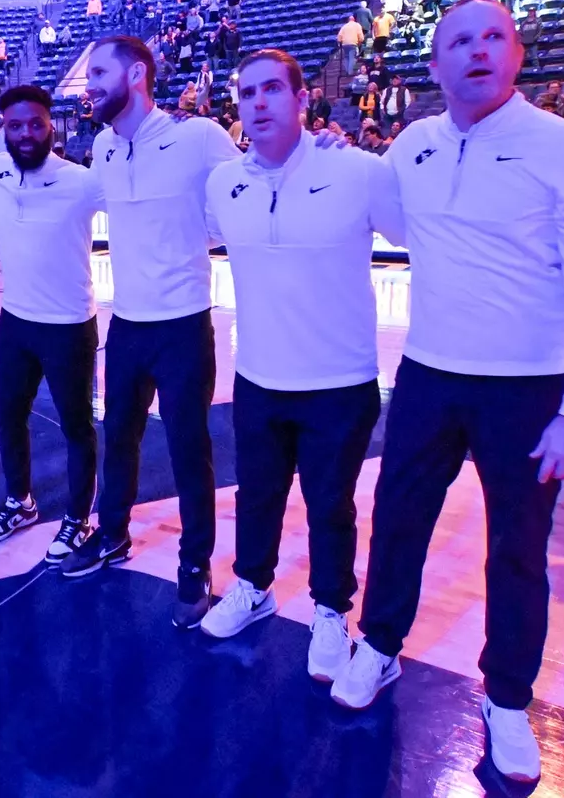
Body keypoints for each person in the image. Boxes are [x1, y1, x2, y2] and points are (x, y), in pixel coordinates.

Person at [332, 0, 564, 788]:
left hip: (529, 390)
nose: (477, 51)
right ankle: (380, 646)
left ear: (518, 52)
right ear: (434, 66)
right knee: (396, 524)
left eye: (493, 36)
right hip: (429, 374)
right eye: (459, 41)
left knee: (518, 550)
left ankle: (505, 698)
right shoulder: (414, 145)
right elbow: (395, 224)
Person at [198, 49, 402, 681]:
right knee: (256, 495)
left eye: (271, 91)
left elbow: (419, 236)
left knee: (330, 505)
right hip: (258, 376)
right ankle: (253, 586)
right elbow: (205, 234)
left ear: (301, 98)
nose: (257, 103)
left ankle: (331, 610)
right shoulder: (223, 184)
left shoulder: (359, 173)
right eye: (247, 93)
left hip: (338, 383)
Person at [59, 36, 240, 632]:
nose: (91, 86)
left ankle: (195, 563)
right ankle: (112, 534)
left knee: (191, 451)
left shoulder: (200, 138)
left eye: (101, 73)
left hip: (185, 323)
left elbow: (236, 207)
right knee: (121, 441)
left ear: (137, 75)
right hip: (128, 323)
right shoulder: (104, 147)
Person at [0, 85, 102, 561]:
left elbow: (143, 199)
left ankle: (77, 517)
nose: (26, 133)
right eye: (15, 125)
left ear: (53, 126)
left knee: (75, 425)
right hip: (16, 321)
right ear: (1, 127)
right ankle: (20, 501)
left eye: (36, 124)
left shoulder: (84, 181)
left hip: (69, 323)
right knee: (7, 413)